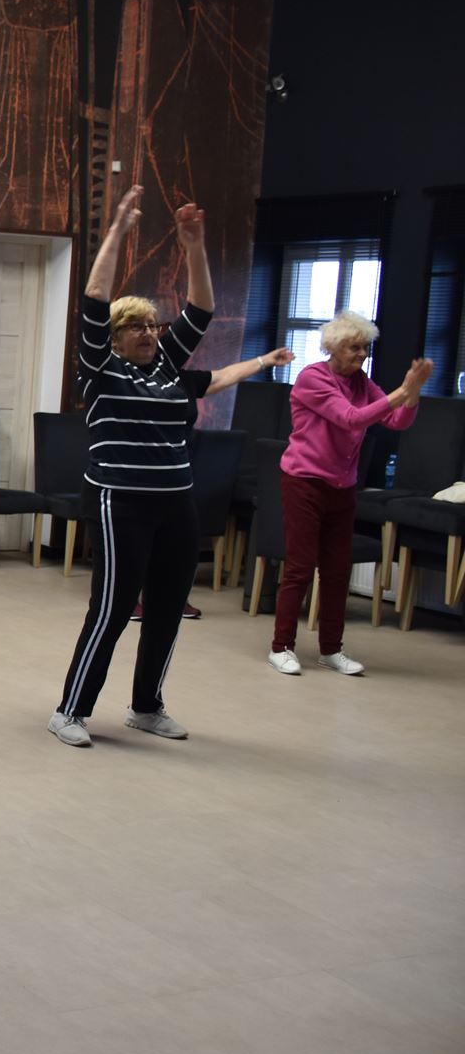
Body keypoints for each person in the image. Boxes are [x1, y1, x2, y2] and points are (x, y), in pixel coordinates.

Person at [48, 185, 213, 748]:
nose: (148, 333)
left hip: (176, 502)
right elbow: (95, 300)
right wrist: (117, 232)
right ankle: (71, 710)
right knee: (113, 608)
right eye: (135, 327)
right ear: (114, 338)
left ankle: (146, 706)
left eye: (152, 325)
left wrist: (195, 246)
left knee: (167, 608)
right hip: (120, 500)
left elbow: (202, 309)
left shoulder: (166, 365)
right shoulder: (99, 369)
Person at [268, 314, 431, 677]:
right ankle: (281, 647)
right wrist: (402, 390)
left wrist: (413, 393)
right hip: (304, 482)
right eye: (354, 347)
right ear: (332, 347)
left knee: (337, 571)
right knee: (299, 568)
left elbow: (397, 422)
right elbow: (351, 418)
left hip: (342, 487)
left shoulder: (361, 382)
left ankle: (331, 649)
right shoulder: (312, 378)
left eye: (365, 347)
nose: (362, 354)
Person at [128, 345, 297, 623]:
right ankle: (126, 599)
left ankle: (170, 597)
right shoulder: (128, 377)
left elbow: (224, 376)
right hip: (136, 473)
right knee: (138, 539)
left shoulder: (182, 379)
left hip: (177, 474)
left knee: (179, 539)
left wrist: (264, 360)